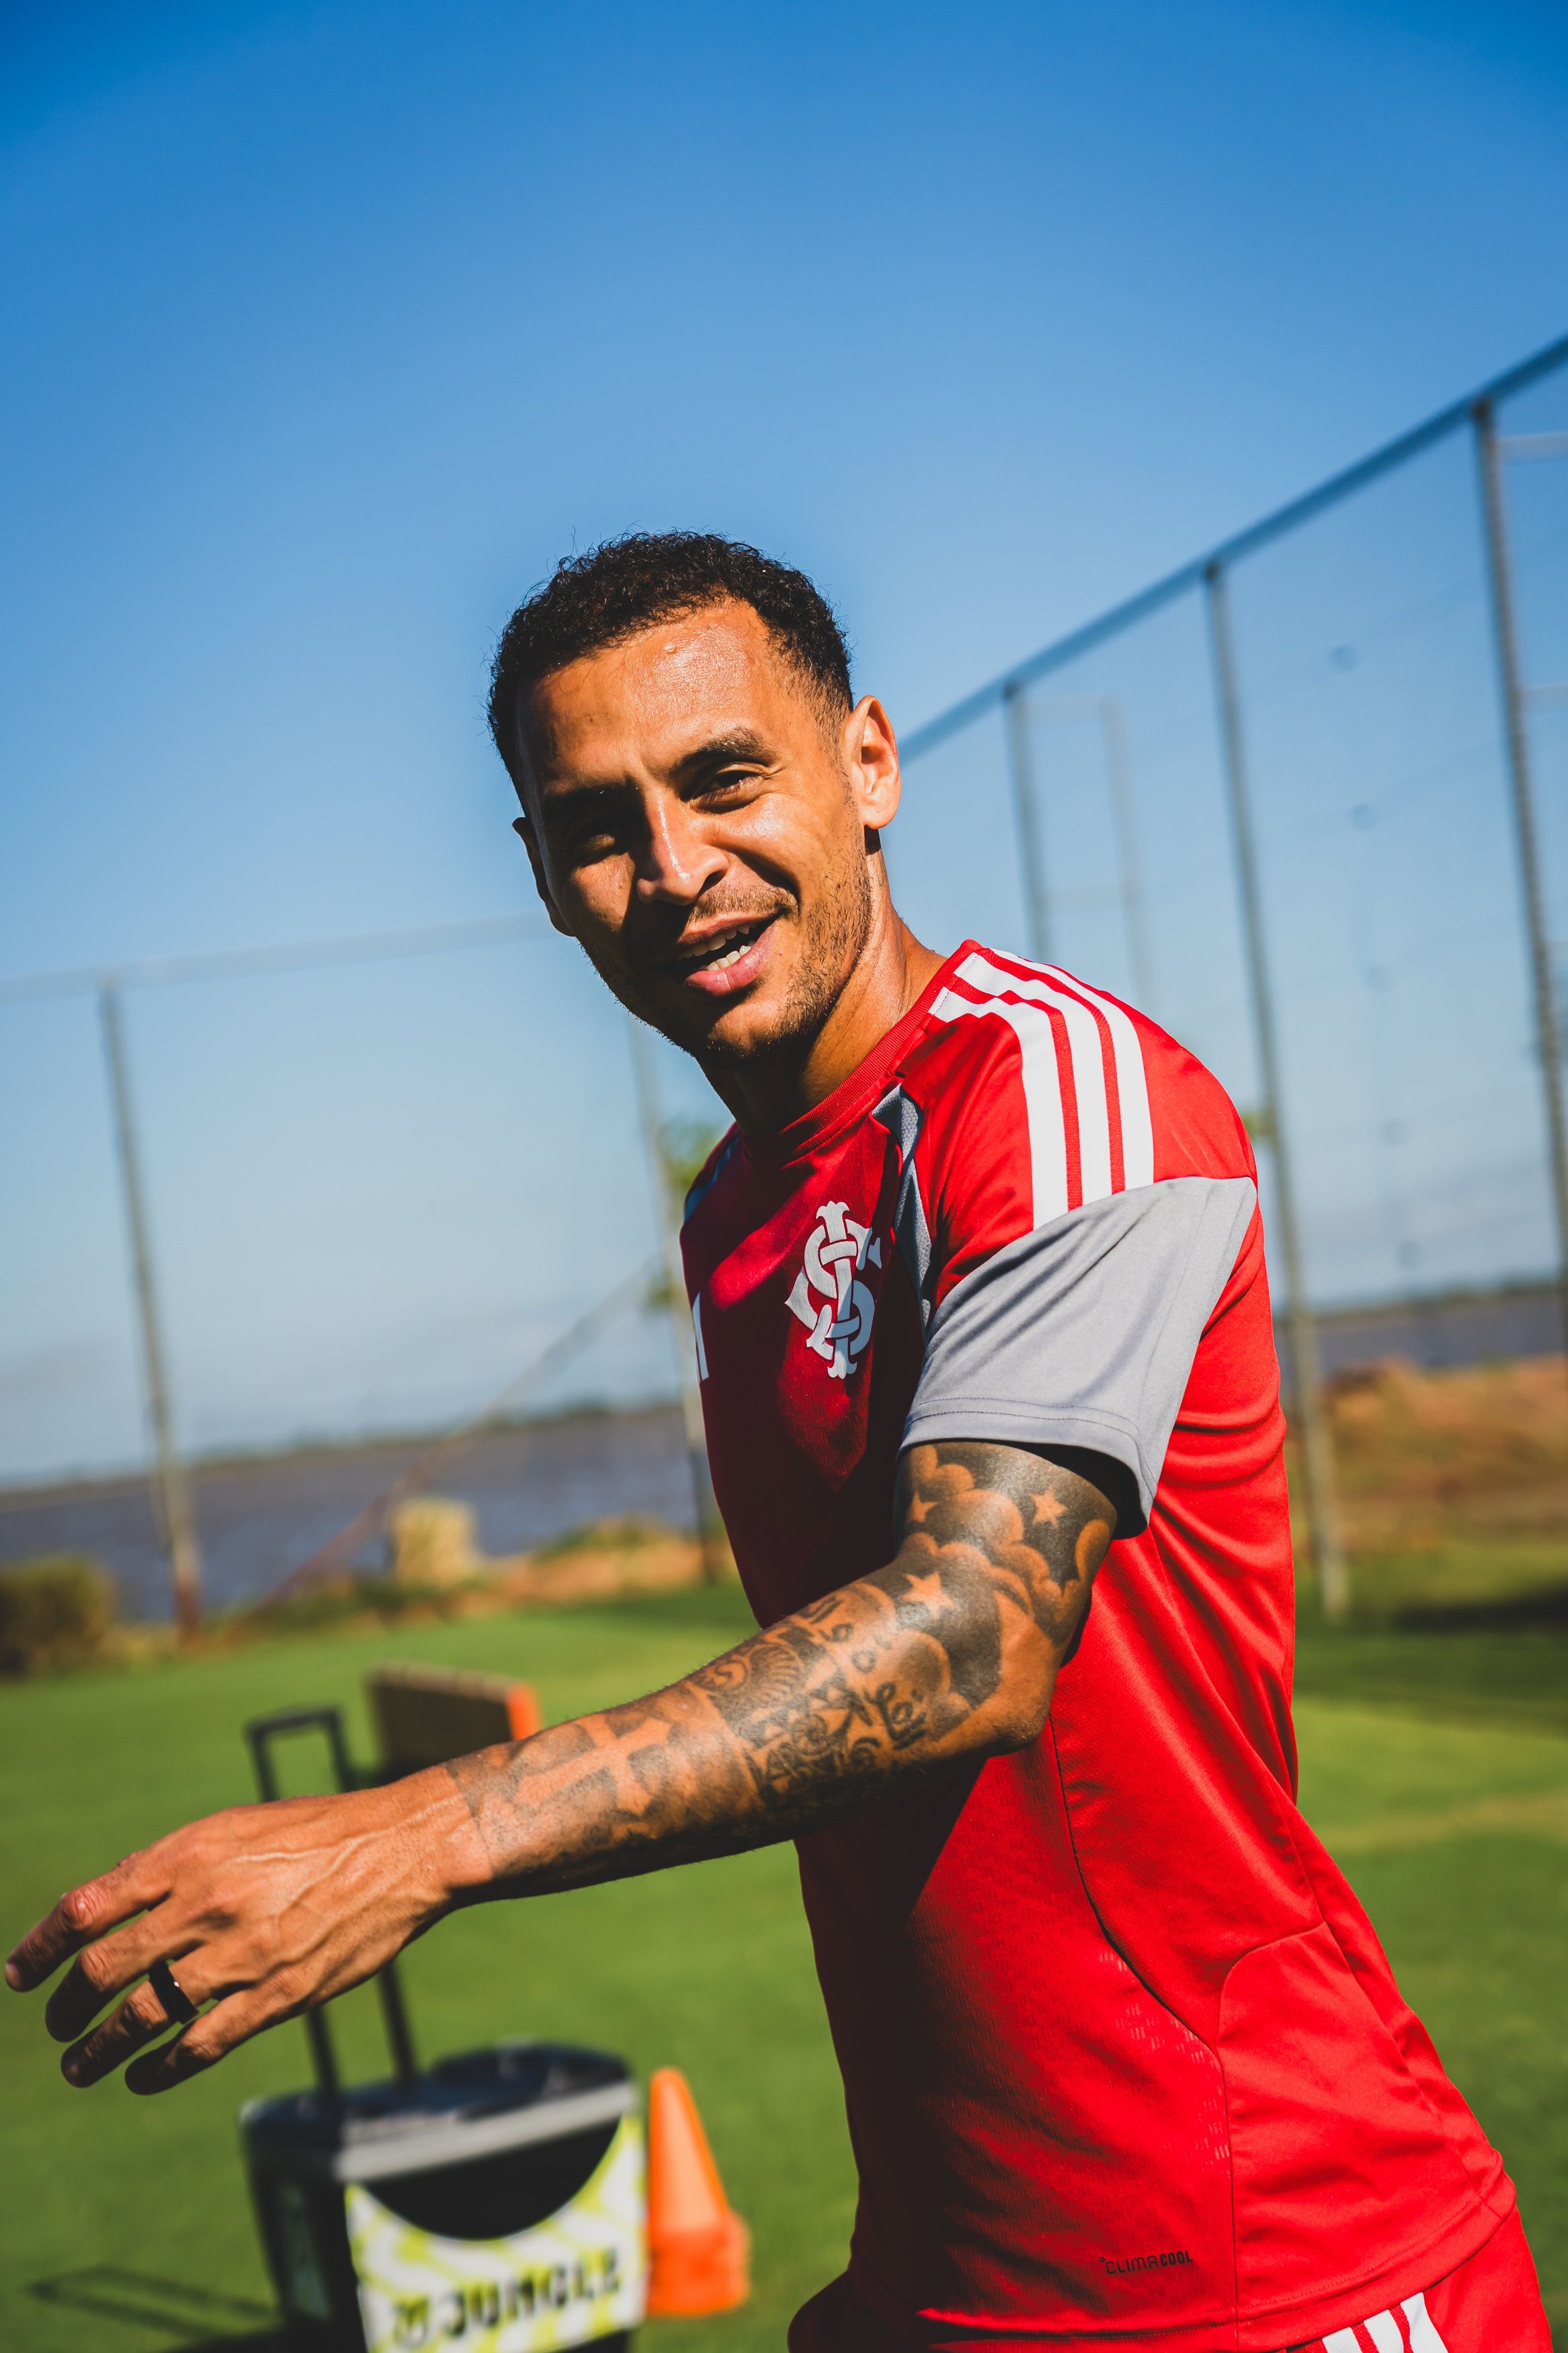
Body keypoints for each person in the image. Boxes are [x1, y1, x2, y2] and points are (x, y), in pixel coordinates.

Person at [7, 534, 1548, 2353]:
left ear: (867, 763)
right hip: (958, 2274)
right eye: (598, 826)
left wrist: (419, 1834)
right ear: (545, 881)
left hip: (1270, 2257)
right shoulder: (734, 1209)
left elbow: (968, 1634)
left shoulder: (1054, 1094)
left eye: (724, 778)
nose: (674, 868)